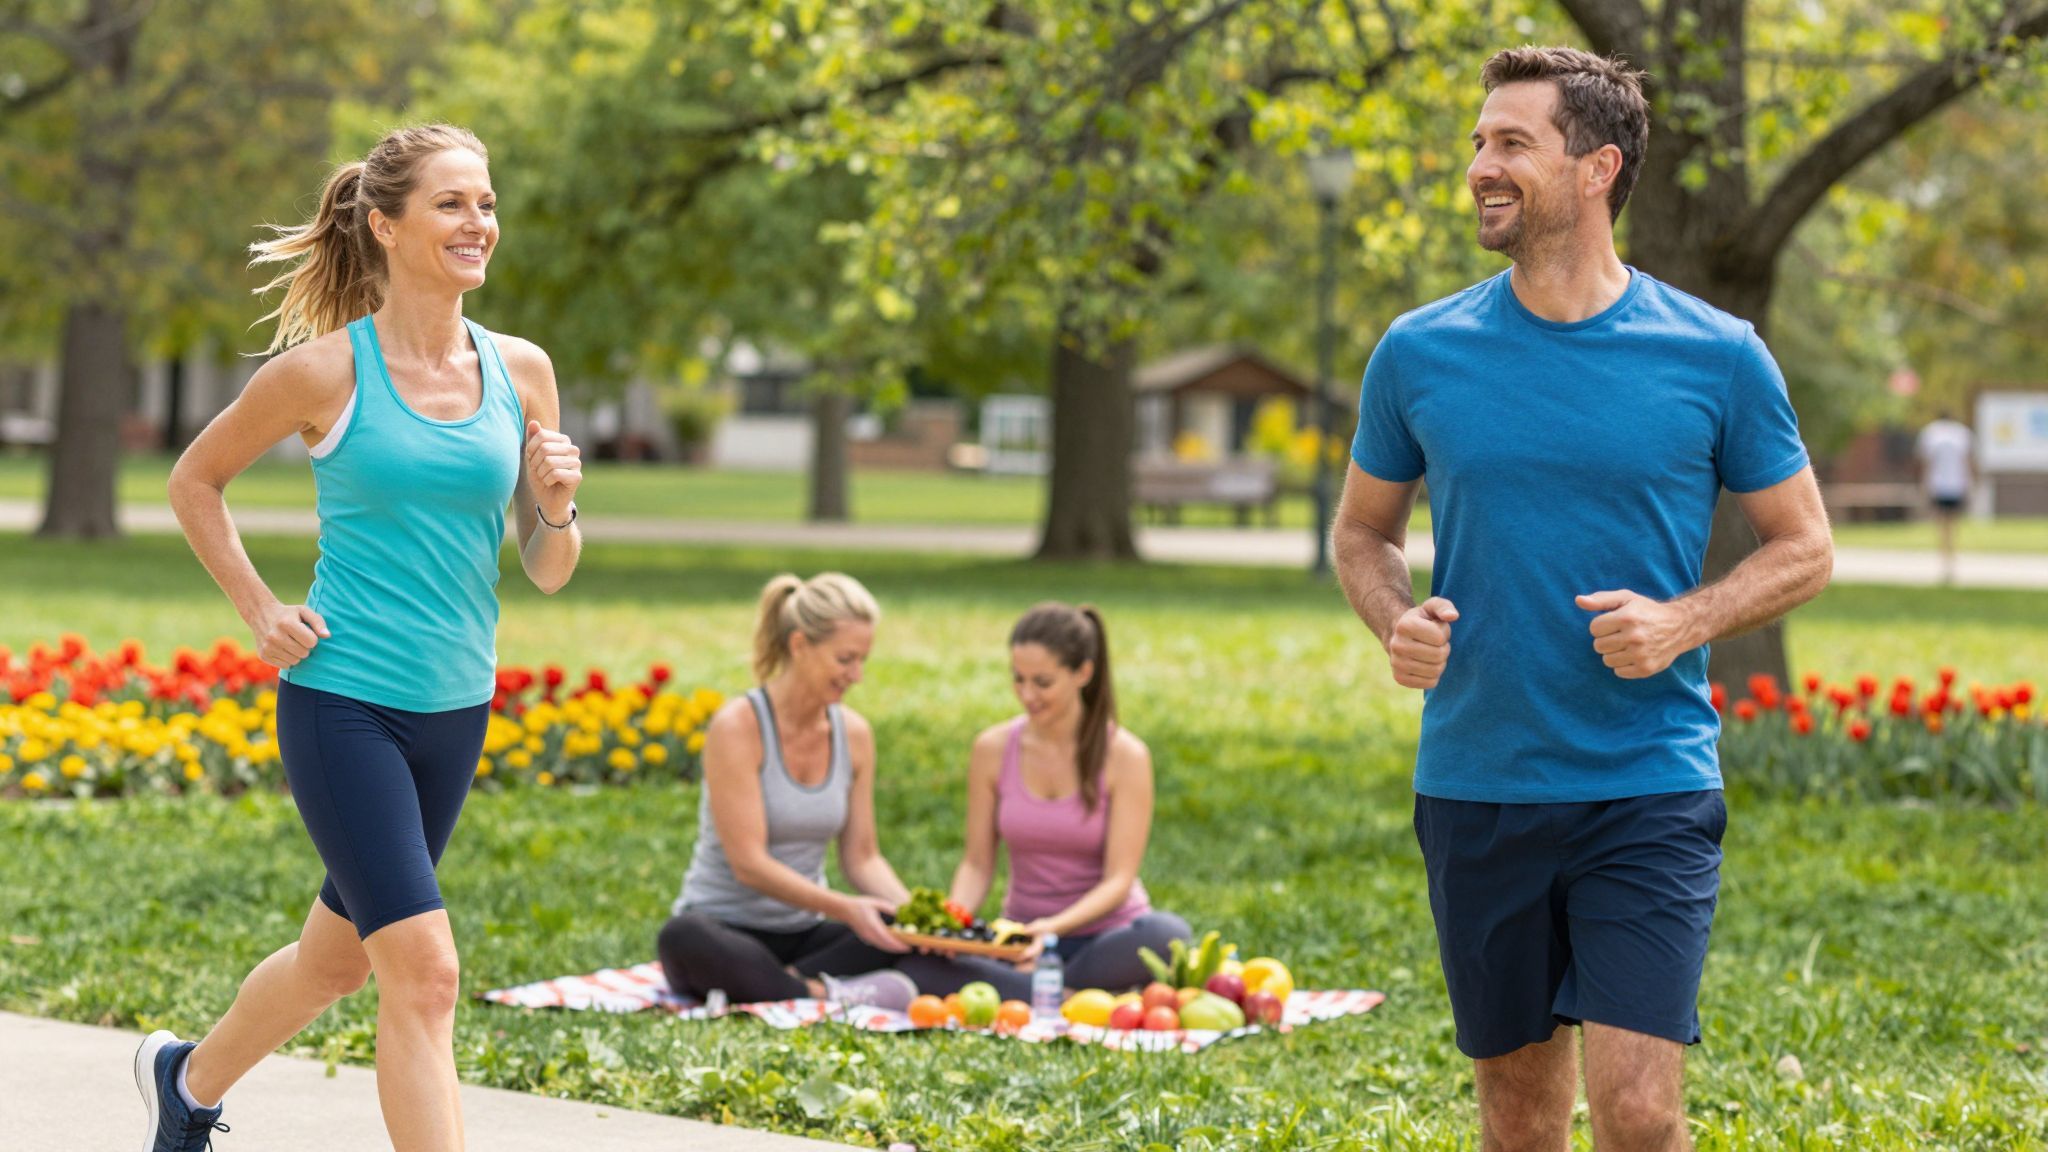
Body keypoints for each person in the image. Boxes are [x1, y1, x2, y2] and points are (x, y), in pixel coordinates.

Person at [1333, 48, 1832, 1152]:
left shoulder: (1715, 355)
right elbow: (1362, 530)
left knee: (1640, 1114)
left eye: (1510, 142)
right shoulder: (1418, 352)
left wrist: (1681, 622)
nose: (1478, 166)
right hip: (1477, 783)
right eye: (1476, 143)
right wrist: (1393, 618)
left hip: (1643, 783)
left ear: (1596, 165)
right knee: (1517, 1115)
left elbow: (1804, 547)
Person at [150, 124, 584, 1152]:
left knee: (339, 962)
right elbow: (193, 481)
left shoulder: (521, 370)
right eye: (449, 203)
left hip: (455, 709)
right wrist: (261, 610)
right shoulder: (322, 375)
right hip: (344, 701)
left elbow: (549, 569)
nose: (476, 222)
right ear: (385, 225)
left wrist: (558, 506)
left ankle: (186, 1083)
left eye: (483, 202)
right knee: (425, 975)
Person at [896, 603, 1190, 1001]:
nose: (1027, 694)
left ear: (1083, 673)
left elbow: (1119, 880)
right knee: (919, 964)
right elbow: (977, 863)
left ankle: (1040, 989)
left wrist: (1052, 928)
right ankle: (1065, 994)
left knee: (1167, 937)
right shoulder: (993, 749)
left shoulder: (1125, 755)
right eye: (1018, 679)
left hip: (1104, 938)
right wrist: (952, 928)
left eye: (1043, 682)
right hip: (1020, 944)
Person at [656, 573, 919, 1011]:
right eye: (845, 659)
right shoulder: (737, 726)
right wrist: (845, 908)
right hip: (725, 930)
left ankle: (783, 987)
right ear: (799, 646)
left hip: (806, 938)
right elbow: (749, 865)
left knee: (895, 927)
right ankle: (820, 993)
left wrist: (922, 921)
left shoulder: (854, 734)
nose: (857, 675)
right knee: (682, 938)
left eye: (862, 660)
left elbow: (863, 858)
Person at [1915, 409, 1975, 584]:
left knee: (1941, 523)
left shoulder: (1930, 433)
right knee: (1952, 523)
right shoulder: (1962, 433)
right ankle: (1951, 556)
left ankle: (1945, 557)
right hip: (1956, 484)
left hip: (1938, 484)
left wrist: (1923, 485)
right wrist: (1971, 483)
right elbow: (1968, 461)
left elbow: (1925, 461)